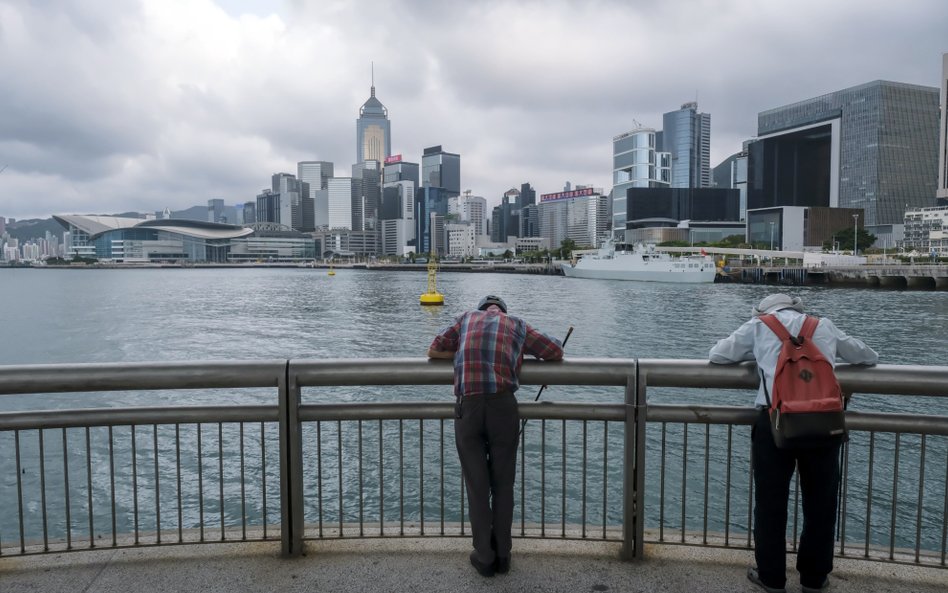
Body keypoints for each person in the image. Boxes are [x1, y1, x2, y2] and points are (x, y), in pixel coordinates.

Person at [709, 293, 878, 593]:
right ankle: (814, 579)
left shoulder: (760, 326)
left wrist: (761, 354)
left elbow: (719, 354)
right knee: (821, 505)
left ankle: (771, 578)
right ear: (799, 308)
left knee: (770, 504)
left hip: (775, 424)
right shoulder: (822, 325)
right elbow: (867, 356)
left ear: (763, 311)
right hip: (823, 425)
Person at [427, 295, 564, 577]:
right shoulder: (517, 324)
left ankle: (484, 557)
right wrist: (516, 354)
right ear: (502, 312)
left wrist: (462, 354)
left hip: (469, 405)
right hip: (503, 406)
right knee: (503, 484)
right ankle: (503, 554)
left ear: (482, 311)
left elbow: (434, 349)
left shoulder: (465, 319)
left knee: (477, 486)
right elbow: (554, 351)